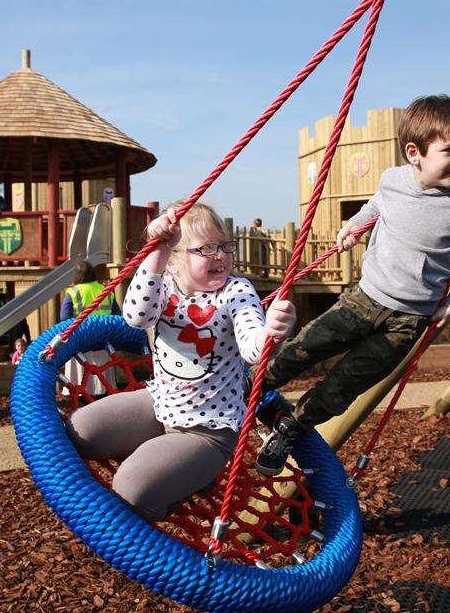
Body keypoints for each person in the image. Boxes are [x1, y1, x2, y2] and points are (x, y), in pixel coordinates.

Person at [254, 95, 450, 476]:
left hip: (408, 321)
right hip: (363, 299)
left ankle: (291, 428)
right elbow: (377, 204)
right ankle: (244, 392)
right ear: (414, 153)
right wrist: (353, 224)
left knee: (343, 385)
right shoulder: (393, 180)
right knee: (305, 348)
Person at [65, 202, 296, 522]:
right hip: (159, 404)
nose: (220, 256)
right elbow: (135, 316)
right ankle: (168, 461)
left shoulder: (236, 291)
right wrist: (157, 252)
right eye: (205, 249)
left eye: (224, 246)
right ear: (173, 261)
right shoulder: (163, 284)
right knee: (80, 431)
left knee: (130, 488)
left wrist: (271, 332)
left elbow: (252, 348)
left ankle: (180, 484)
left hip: (208, 431)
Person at [60, 261, 122, 394]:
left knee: (80, 382)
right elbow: (117, 315)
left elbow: (64, 318)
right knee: (104, 383)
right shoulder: (106, 290)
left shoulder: (73, 292)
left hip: (80, 341)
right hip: (103, 341)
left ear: (76, 276)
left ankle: (80, 396)